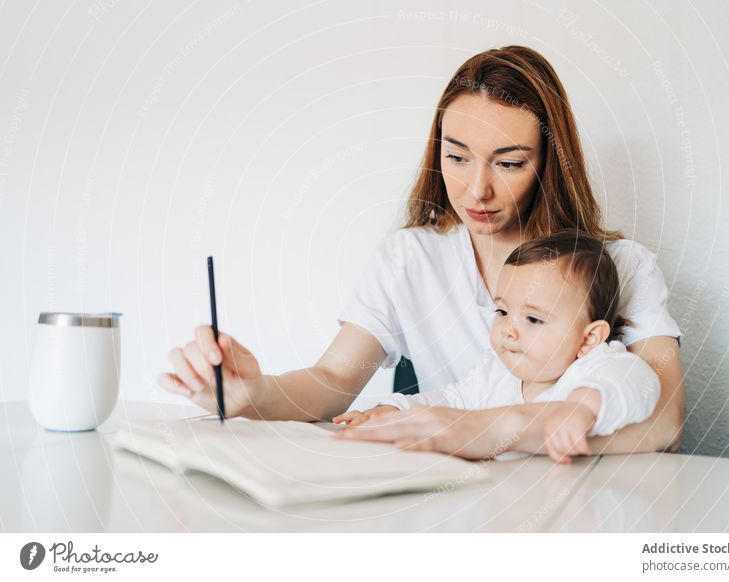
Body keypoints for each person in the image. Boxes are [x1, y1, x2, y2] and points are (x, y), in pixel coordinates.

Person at [159, 45, 685, 460]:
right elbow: (333, 381)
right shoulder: (409, 258)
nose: (475, 189)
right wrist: (252, 394)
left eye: (508, 163)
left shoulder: (621, 265)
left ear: (549, 163)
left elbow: (664, 421)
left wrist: (495, 430)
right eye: (456, 157)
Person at [333, 230, 660, 464]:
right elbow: (452, 400)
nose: (509, 331)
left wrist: (581, 408)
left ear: (589, 338)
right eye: (502, 311)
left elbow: (638, 381)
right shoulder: (496, 372)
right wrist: (395, 410)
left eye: (533, 319)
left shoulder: (596, 367)